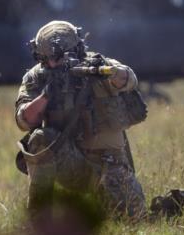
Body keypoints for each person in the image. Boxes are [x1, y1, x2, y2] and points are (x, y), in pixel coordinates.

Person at [15, 20, 147, 218]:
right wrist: (46, 96)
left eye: (63, 56)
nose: (56, 63)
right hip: (72, 166)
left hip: (110, 166)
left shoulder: (99, 66)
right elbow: (24, 120)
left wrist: (109, 72)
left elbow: (129, 79)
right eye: (50, 58)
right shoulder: (37, 78)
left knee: (132, 217)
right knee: (40, 138)